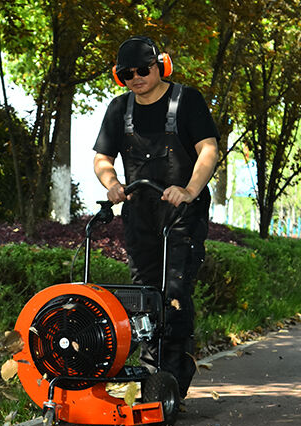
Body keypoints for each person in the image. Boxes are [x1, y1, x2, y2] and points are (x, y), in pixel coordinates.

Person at [93, 36, 219, 401]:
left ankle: (172, 382)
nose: (136, 78)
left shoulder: (186, 100)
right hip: (140, 215)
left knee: (174, 293)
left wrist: (189, 190)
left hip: (182, 214)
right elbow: (102, 158)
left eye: (143, 70)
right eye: (127, 73)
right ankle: (152, 375)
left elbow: (208, 149)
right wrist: (113, 184)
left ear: (160, 66)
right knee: (144, 296)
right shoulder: (119, 109)